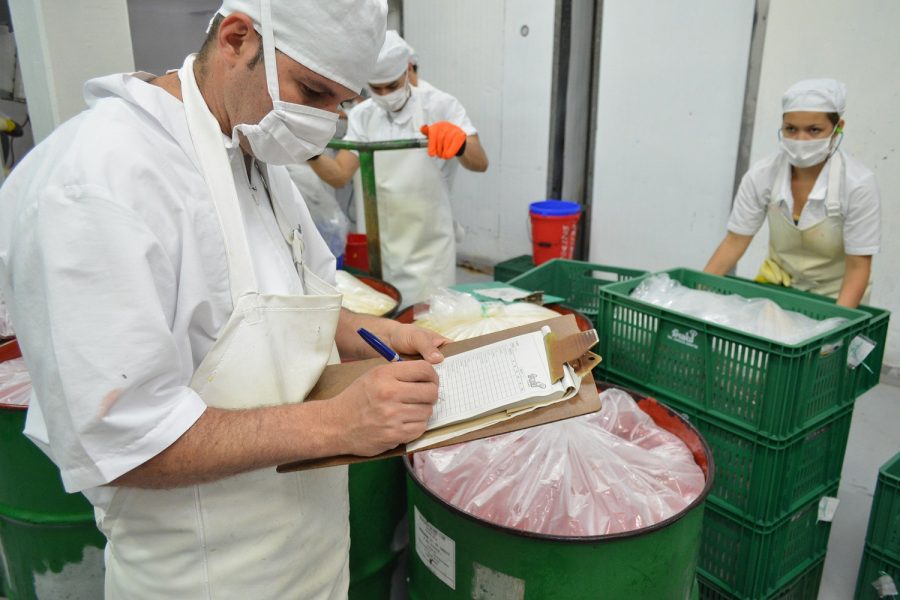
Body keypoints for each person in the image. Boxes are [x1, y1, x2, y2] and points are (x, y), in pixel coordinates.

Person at [0, 2, 450, 597]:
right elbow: (124, 443)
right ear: (237, 38)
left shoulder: (249, 151)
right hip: (203, 575)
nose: (322, 121)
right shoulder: (96, 183)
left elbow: (278, 303)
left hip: (309, 558)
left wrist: (378, 335)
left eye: (338, 103)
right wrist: (337, 424)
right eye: (311, 91)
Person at [308, 30, 489, 305]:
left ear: (406, 72)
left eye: (391, 86)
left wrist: (461, 144)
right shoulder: (363, 115)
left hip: (431, 250)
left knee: (433, 324)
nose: (384, 95)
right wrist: (310, 152)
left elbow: (480, 162)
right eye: (375, 88)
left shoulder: (439, 105)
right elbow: (339, 175)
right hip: (385, 248)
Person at [704, 78, 880, 308]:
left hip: (836, 299)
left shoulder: (857, 185)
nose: (800, 140)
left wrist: (834, 329)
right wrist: (695, 296)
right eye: (791, 129)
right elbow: (734, 242)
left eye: (814, 130)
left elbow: (858, 267)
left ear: (838, 128)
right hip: (778, 292)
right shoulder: (763, 175)